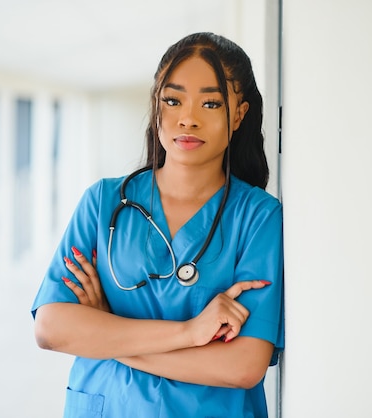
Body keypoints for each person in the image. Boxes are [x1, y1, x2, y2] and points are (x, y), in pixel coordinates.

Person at [31, 32, 284, 418]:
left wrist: (106, 331)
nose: (188, 118)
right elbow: (51, 328)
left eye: (211, 103)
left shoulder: (258, 217)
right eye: (173, 99)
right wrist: (190, 333)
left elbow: (242, 366)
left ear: (238, 115)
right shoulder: (102, 203)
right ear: (156, 105)